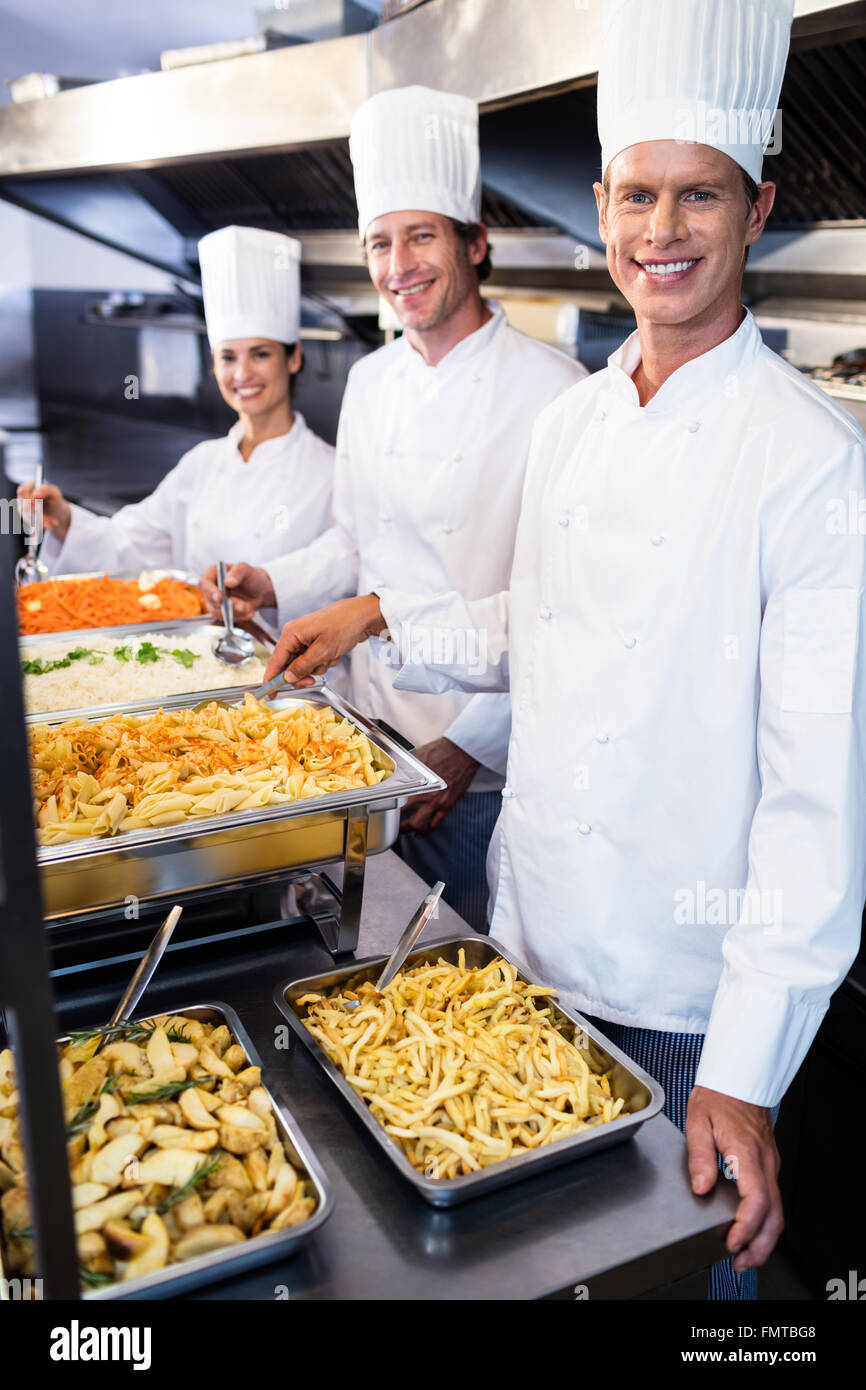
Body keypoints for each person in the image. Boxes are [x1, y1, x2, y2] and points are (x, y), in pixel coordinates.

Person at [255, 0, 866, 1299]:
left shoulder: (814, 464)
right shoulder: (577, 425)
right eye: (636, 194)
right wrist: (369, 618)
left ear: (756, 207)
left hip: (680, 986)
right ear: (597, 205)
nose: (660, 231)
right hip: (528, 948)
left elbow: (816, 815)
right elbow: (522, 633)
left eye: (695, 197)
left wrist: (745, 1076)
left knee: (682, 1293)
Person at [201, 87, 587, 930]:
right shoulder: (371, 381)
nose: (398, 263)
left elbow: (562, 610)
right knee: (354, 965)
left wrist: (466, 750)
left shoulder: (556, 392)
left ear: (475, 244)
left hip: (475, 770)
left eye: (422, 236)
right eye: (381, 241)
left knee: (462, 982)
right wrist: (274, 579)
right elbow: (356, 540)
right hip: (364, 737)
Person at [18, 226, 334, 582]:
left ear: (293, 358)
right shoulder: (201, 465)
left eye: (260, 354)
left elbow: (337, 581)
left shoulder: (329, 473)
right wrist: (63, 519)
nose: (242, 373)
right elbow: (128, 546)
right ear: (214, 364)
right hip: (195, 639)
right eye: (228, 357)